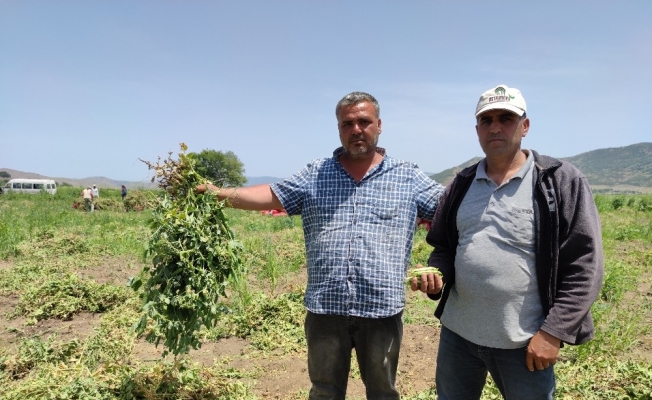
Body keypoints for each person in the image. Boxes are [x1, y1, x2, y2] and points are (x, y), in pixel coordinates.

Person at [197, 92, 445, 399]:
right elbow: (271, 195)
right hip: (326, 309)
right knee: (325, 391)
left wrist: (439, 266)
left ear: (379, 125)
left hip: (381, 309)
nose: (356, 129)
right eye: (347, 124)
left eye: (364, 122)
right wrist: (217, 193)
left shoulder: (407, 176)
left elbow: (453, 212)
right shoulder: (315, 173)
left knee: (383, 392)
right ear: (339, 129)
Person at [411, 84, 604, 399]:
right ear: (477, 129)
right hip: (458, 335)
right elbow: (444, 247)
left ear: (524, 126)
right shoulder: (461, 184)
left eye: (506, 118)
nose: (495, 127)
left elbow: (585, 264)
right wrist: (438, 275)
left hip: (524, 341)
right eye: (486, 120)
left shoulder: (559, 181)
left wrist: (554, 332)